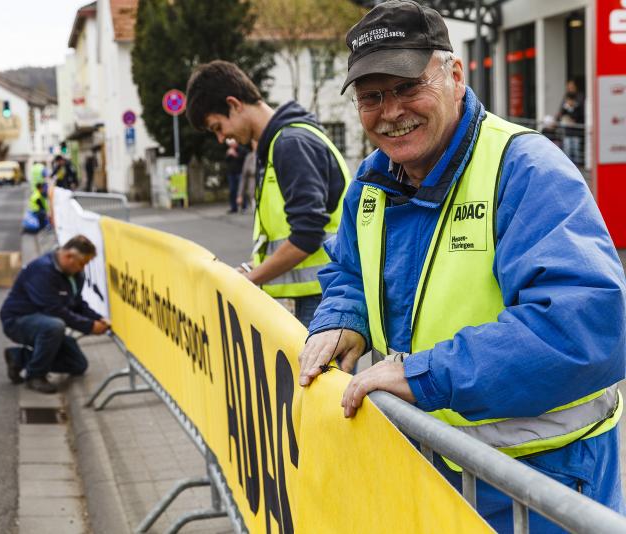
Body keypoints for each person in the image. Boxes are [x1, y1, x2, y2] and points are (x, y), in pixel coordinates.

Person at [297, 2, 626, 530]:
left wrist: (425, 375)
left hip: (541, 486)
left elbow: (585, 327)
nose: (391, 111)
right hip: (433, 473)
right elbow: (350, 270)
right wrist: (344, 316)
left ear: (454, 74)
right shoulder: (372, 181)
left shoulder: (525, 170)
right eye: (371, 97)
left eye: (408, 87)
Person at [186, 60, 350, 327]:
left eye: (217, 127)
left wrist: (248, 280)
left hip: (323, 296)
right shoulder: (279, 144)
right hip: (320, 293)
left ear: (234, 104)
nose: (221, 138)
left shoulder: (290, 144)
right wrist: (250, 267)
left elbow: (307, 237)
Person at [0, 235, 110, 394]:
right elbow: (53, 309)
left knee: (78, 365)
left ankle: (19, 357)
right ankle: (35, 376)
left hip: (45, 321)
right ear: (69, 256)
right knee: (54, 326)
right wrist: (90, 327)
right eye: (82, 263)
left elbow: (77, 304)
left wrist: (98, 318)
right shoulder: (42, 270)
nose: (82, 268)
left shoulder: (75, 274)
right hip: (17, 320)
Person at [556, 78, 585, 165]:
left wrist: (573, 118)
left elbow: (580, 114)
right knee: (567, 150)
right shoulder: (565, 100)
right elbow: (560, 114)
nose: (570, 89)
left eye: (571, 87)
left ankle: (577, 167)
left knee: (576, 151)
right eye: (568, 87)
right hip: (567, 132)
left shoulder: (580, 98)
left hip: (576, 131)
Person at [224, 139, 247, 213]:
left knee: (241, 190)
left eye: (232, 143)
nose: (231, 145)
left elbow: (243, 160)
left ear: (236, 143)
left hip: (240, 172)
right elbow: (226, 160)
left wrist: (234, 154)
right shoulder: (229, 150)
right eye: (230, 144)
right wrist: (228, 154)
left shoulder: (242, 150)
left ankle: (243, 206)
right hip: (231, 173)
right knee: (232, 190)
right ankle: (234, 207)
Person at [237, 140, 257, 213]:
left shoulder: (267, 155)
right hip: (253, 191)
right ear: (252, 144)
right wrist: (240, 195)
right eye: (254, 142)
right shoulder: (249, 157)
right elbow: (243, 177)